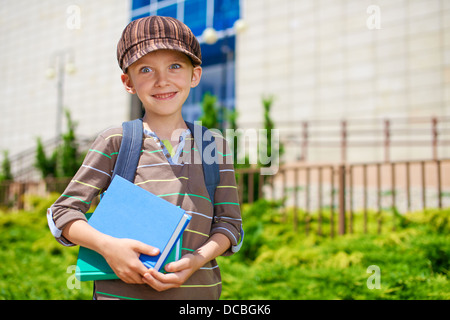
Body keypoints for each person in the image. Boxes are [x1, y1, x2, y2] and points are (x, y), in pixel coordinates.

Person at [47, 16, 242, 300]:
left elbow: (229, 225)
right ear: (129, 82)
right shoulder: (116, 142)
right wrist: (107, 246)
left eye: (175, 66)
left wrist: (197, 259)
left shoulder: (216, 147)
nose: (162, 81)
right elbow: (62, 212)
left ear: (195, 75)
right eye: (146, 69)